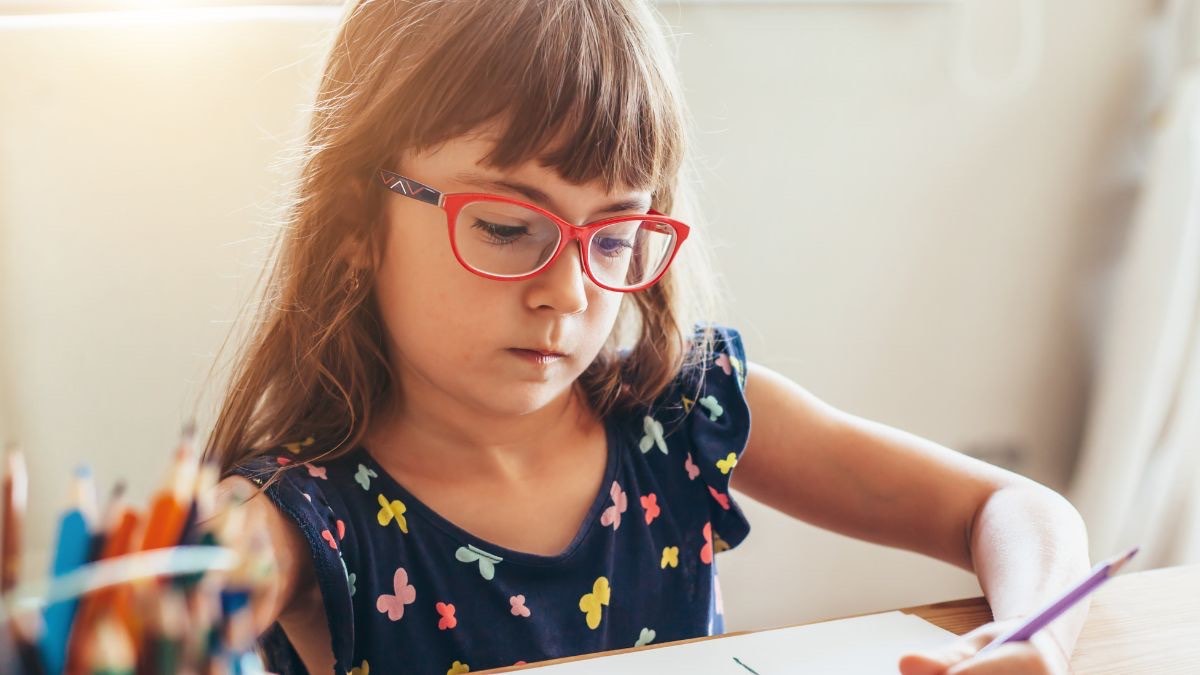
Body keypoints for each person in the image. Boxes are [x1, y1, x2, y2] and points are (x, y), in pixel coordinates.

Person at [204, 1, 1090, 673]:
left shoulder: (685, 410)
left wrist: (1032, 636)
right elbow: (187, 596)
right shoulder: (299, 512)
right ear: (357, 220)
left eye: (616, 237)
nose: (568, 291)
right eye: (508, 228)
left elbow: (1011, 508)